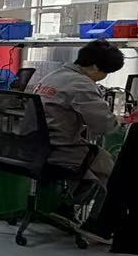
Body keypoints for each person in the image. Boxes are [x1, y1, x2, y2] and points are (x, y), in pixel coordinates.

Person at [32, 41, 126, 183]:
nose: (104, 76)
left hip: (34, 145)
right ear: (95, 67)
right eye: (106, 72)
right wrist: (120, 123)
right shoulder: (81, 84)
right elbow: (104, 126)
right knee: (108, 167)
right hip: (59, 149)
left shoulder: (53, 76)